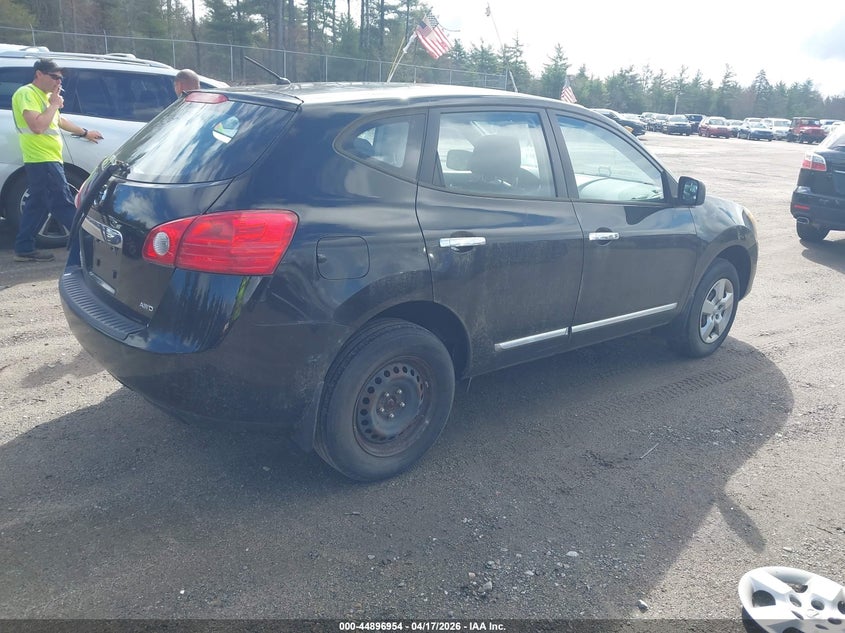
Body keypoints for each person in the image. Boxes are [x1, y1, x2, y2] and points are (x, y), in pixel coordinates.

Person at [12, 58, 103, 262]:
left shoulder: (45, 97)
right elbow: (37, 126)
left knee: (37, 205)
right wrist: (54, 105)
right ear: (39, 74)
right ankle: (88, 247)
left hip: (46, 159)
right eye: (54, 77)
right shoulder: (26, 93)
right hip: (42, 160)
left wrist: (85, 132)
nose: (58, 82)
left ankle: (24, 248)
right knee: (63, 203)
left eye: (60, 79)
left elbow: (59, 121)